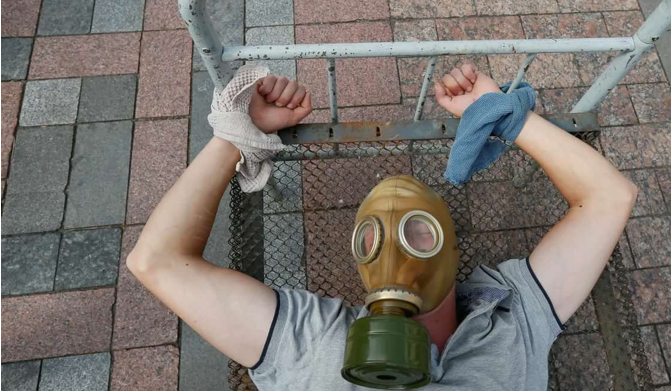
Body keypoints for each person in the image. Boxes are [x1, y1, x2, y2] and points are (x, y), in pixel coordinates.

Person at [127, 63, 637, 390]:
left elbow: (612, 199)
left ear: (452, 250)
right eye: (371, 240)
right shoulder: (310, 339)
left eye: (417, 232)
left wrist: (502, 114)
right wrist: (238, 133)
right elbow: (154, 263)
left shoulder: (511, 316)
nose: (394, 252)